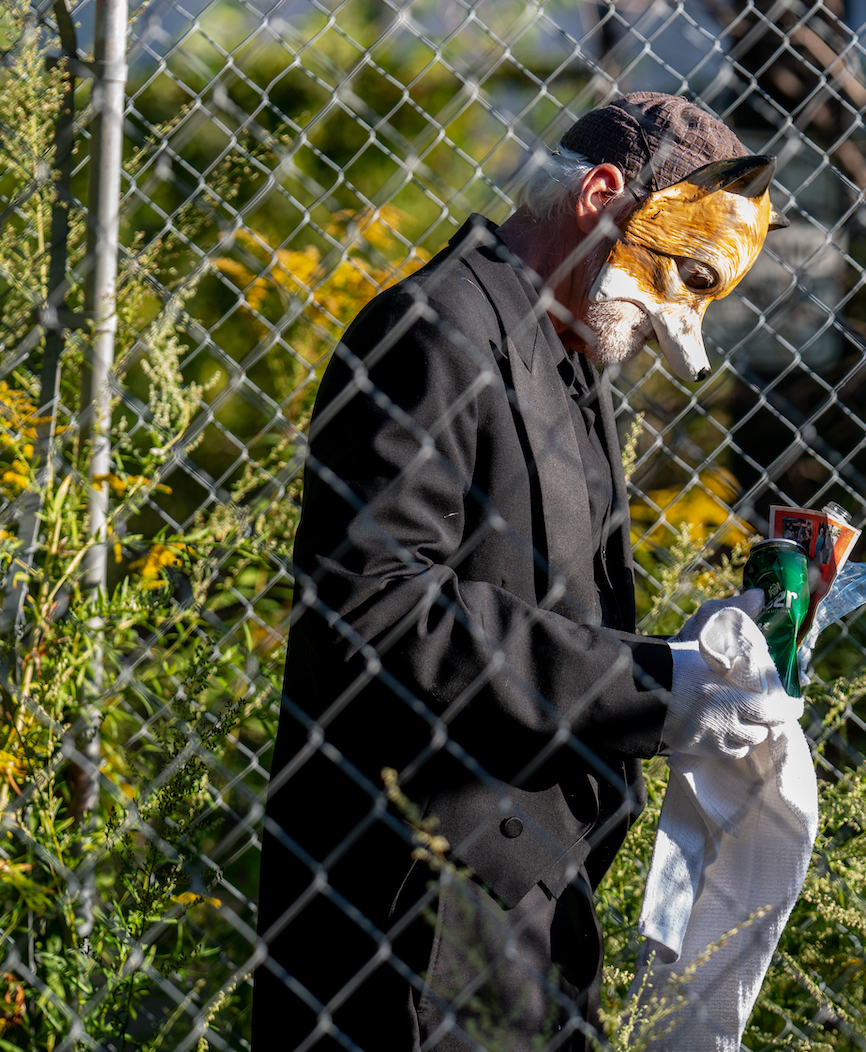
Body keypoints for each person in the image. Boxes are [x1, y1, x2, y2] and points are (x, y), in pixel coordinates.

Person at [253, 92, 791, 1052]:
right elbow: (376, 614)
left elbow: (536, 607)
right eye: (683, 274)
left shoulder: (565, 353)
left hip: (529, 913)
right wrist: (658, 686)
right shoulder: (434, 329)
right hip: (414, 928)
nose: (688, 330)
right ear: (598, 194)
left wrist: (701, 657)